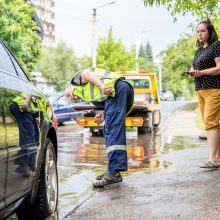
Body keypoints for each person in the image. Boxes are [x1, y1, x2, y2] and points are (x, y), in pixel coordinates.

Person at [65, 68, 134, 187]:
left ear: (69, 87)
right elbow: (108, 101)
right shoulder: (87, 94)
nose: (71, 97)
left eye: (68, 94)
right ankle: (112, 170)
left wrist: (101, 86)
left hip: (117, 89)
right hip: (118, 92)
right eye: (69, 98)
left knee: (113, 131)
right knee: (110, 130)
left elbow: (87, 74)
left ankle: (113, 173)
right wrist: (104, 114)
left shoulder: (76, 81)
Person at [187, 19, 220, 169]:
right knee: (212, 124)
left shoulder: (216, 46)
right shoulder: (199, 51)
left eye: (203, 31)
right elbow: (195, 68)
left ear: (210, 32)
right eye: (198, 32)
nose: (200, 34)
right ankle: (217, 158)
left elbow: (219, 68)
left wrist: (200, 72)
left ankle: (212, 159)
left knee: (210, 124)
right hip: (200, 90)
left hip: (214, 89)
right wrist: (192, 73)